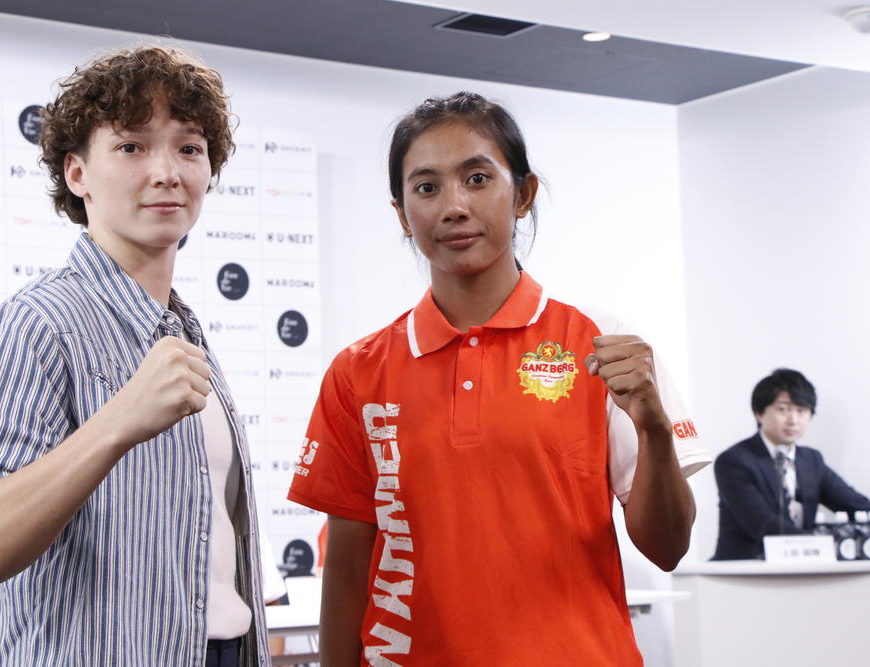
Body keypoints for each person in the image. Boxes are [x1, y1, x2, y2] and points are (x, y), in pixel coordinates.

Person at [286, 92, 712, 666]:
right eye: (426, 187)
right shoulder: (358, 371)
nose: (454, 206)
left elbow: (668, 548)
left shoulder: (602, 344)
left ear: (523, 195)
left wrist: (654, 428)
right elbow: (347, 567)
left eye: (478, 178)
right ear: (402, 214)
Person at [0, 46, 270, 666]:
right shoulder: (38, 323)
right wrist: (116, 423)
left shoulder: (184, 330)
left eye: (189, 148)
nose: (166, 172)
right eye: (132, 146)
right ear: (77, 173)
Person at [712, 368, 870, 560]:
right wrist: (825, 543)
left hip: (802, 567)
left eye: (801, 410)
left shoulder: (812, 460)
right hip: (743, 569)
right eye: (783, 409)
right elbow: (763, 524)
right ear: (759, 413)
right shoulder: (734, 461)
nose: (793, 420)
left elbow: (855, 503)